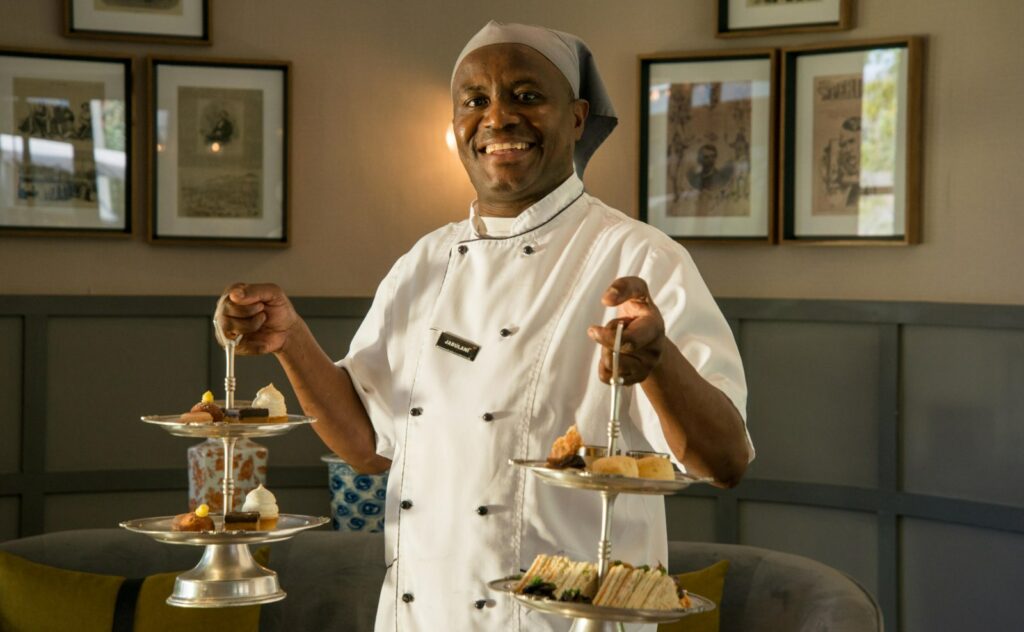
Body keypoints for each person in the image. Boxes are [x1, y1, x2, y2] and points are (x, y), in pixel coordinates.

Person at [215, 21, 753, 631]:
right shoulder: (424, 262)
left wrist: (659, 365)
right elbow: (367, 447)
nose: (498, 117)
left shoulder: (640, 257)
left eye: (527, 95)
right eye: (475, 100)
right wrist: (289, 339)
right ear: (456, 126)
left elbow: (724, 461)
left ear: (577, 118)